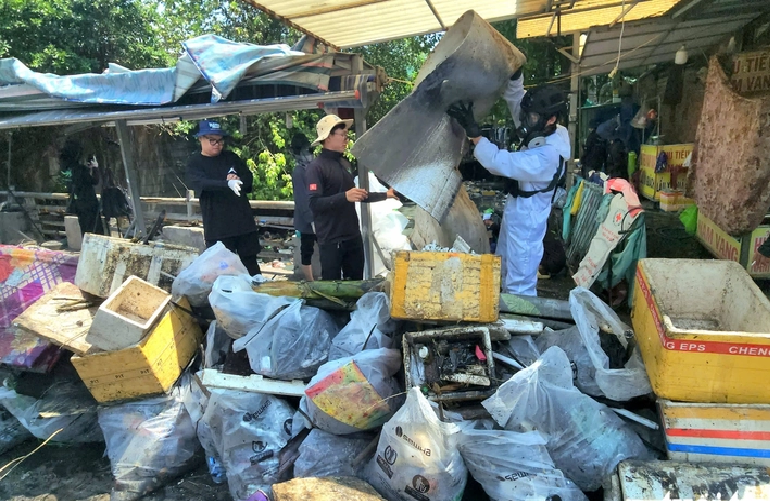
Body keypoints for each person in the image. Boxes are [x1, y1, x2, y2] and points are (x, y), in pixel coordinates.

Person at [448, 70, 571, 296]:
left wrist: (475, 133)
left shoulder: (549, 155)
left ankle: (522, 330)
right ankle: (501, 318)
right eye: (528, 116)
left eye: (531, 118)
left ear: (551, 119)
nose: (524, 122)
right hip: (516, 213)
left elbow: (499, 162)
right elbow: (518, 104)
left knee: (519, 286)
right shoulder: (547, 129)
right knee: (501, 268)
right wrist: (515, 77)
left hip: (527, 224)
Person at [305, 115, 396, 281]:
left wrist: (387, 195)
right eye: (343, 135)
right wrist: (344, 196)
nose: (346, 139)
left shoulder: (344, 164)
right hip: (332, 239)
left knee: (355, 283)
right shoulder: (315, 168)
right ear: (328, 137)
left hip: (352, 235)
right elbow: (314, 203)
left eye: (347, 136)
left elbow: (357, 195)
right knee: (333, 288)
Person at [186, 119, 261, 276]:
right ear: (201, 139)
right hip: (218, 227)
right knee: (221, 269)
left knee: (251, 264)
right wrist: (225, 184)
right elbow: (201, 184)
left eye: (220, 140)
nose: (217, 144)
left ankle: (257, 293)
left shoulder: (231, 157)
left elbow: (248, 179)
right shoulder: (195, 163)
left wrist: (238, 179)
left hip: (242, 223)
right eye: (212, 140)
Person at [61, 139, 103, 237]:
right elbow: (94, 181)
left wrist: (87, 169)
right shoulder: (81, 169)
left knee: (84, 228)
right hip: (89, 203)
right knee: (94, 228)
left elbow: (77, 181)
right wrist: (95, 167)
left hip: (77, 203)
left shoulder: (67, 169)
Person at [290, 132, 317, 281]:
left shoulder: (313, 168)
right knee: (307, 251)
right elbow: (301, 199)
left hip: (318, 216)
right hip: (307, 220)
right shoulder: (298, 171)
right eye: (305, 151)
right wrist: (312, 220)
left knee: (326, 250)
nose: (309, 154)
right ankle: (310, 282)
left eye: (310, 150)